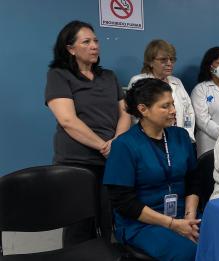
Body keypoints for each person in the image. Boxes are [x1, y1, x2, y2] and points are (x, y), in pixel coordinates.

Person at [44, 20, 130, 245]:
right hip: (76, 162)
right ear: (70, 49)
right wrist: (104, 146)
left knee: (108, 221)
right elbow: (67, 120)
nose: (94, 46)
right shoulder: (59, 75)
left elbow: (125, 114)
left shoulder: (109, 76)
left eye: (96, 41)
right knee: (79, 227)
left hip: (111, 160)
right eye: (87, 41)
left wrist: (117, 142)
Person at [104, 78, 201, 261]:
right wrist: (173, 224)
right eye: (165, 106)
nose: (173, 111)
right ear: (143, 110)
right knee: (189, 252)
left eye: (173, 104)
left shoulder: (180, 136)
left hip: (183, 214)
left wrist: (189, 218)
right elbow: (124, 202)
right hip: (142, 223)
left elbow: (193, 180)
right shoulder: (124, 145)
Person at [128, 39, 195, 141]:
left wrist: (186, 134)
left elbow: (188, 112)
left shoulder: (177, 82)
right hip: (149, 140)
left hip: (179, 139)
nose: (169, 63)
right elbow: (134, 115)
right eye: (163, 60)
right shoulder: (139, 81)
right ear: (150, 62)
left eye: (172, 59)